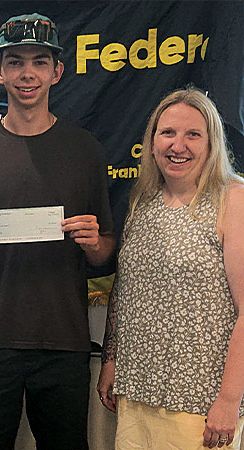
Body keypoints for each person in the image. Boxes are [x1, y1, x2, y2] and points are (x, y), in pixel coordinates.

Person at [0, 12, 115, 450]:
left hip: (63, 342)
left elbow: (106, 253)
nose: (27, 74)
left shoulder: (86, 150)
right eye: (15, 61)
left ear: (57, 72)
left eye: (39, 62)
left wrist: (95, 245)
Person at [97, 87, 244, 449]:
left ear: (212, 143)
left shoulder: (233, 199)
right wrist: (110, 359)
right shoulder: (142, 202)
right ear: (152, 142)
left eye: (193, 134)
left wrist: (229, 400)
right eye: (168, 133)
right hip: (135, 398)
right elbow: (126, 291)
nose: (178, 145)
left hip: (200, 407)